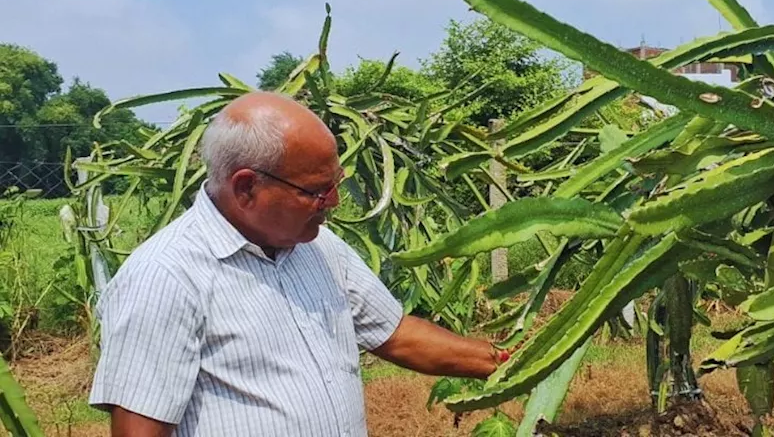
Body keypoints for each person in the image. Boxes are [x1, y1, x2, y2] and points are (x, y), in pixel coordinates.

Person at [88, 91, 506, 437]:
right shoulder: (165, 276)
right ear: (247, 187)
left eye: (335, 184)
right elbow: (139, 431)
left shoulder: (319, 246)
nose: (334, 203)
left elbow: (396, 334)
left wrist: (517, 360)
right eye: (317, 191)